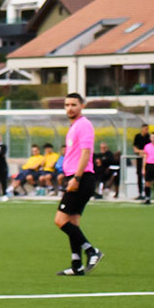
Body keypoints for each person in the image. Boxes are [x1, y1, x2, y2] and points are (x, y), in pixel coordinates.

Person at [53, 93, 103, 275]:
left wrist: (77, 178)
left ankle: (91, 250)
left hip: (81, 178)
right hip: (76, 177)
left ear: (82, 105)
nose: (70, 108)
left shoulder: (84, 125)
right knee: (72, 222)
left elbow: (86, 152)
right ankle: (77, 265)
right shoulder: (74, 126)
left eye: (74, 104)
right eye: (67, 105)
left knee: (60, 221)